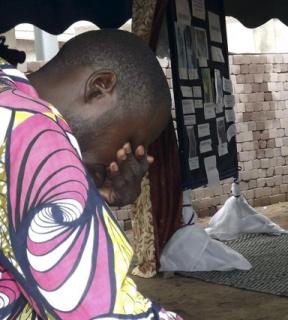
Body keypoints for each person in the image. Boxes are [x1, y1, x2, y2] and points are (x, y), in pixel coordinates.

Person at [0, 30, 181, 319]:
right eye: (132, 141)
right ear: (100, 87)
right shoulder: (32, 131)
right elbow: (95, 309)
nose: (123, 159)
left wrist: (83, 196)